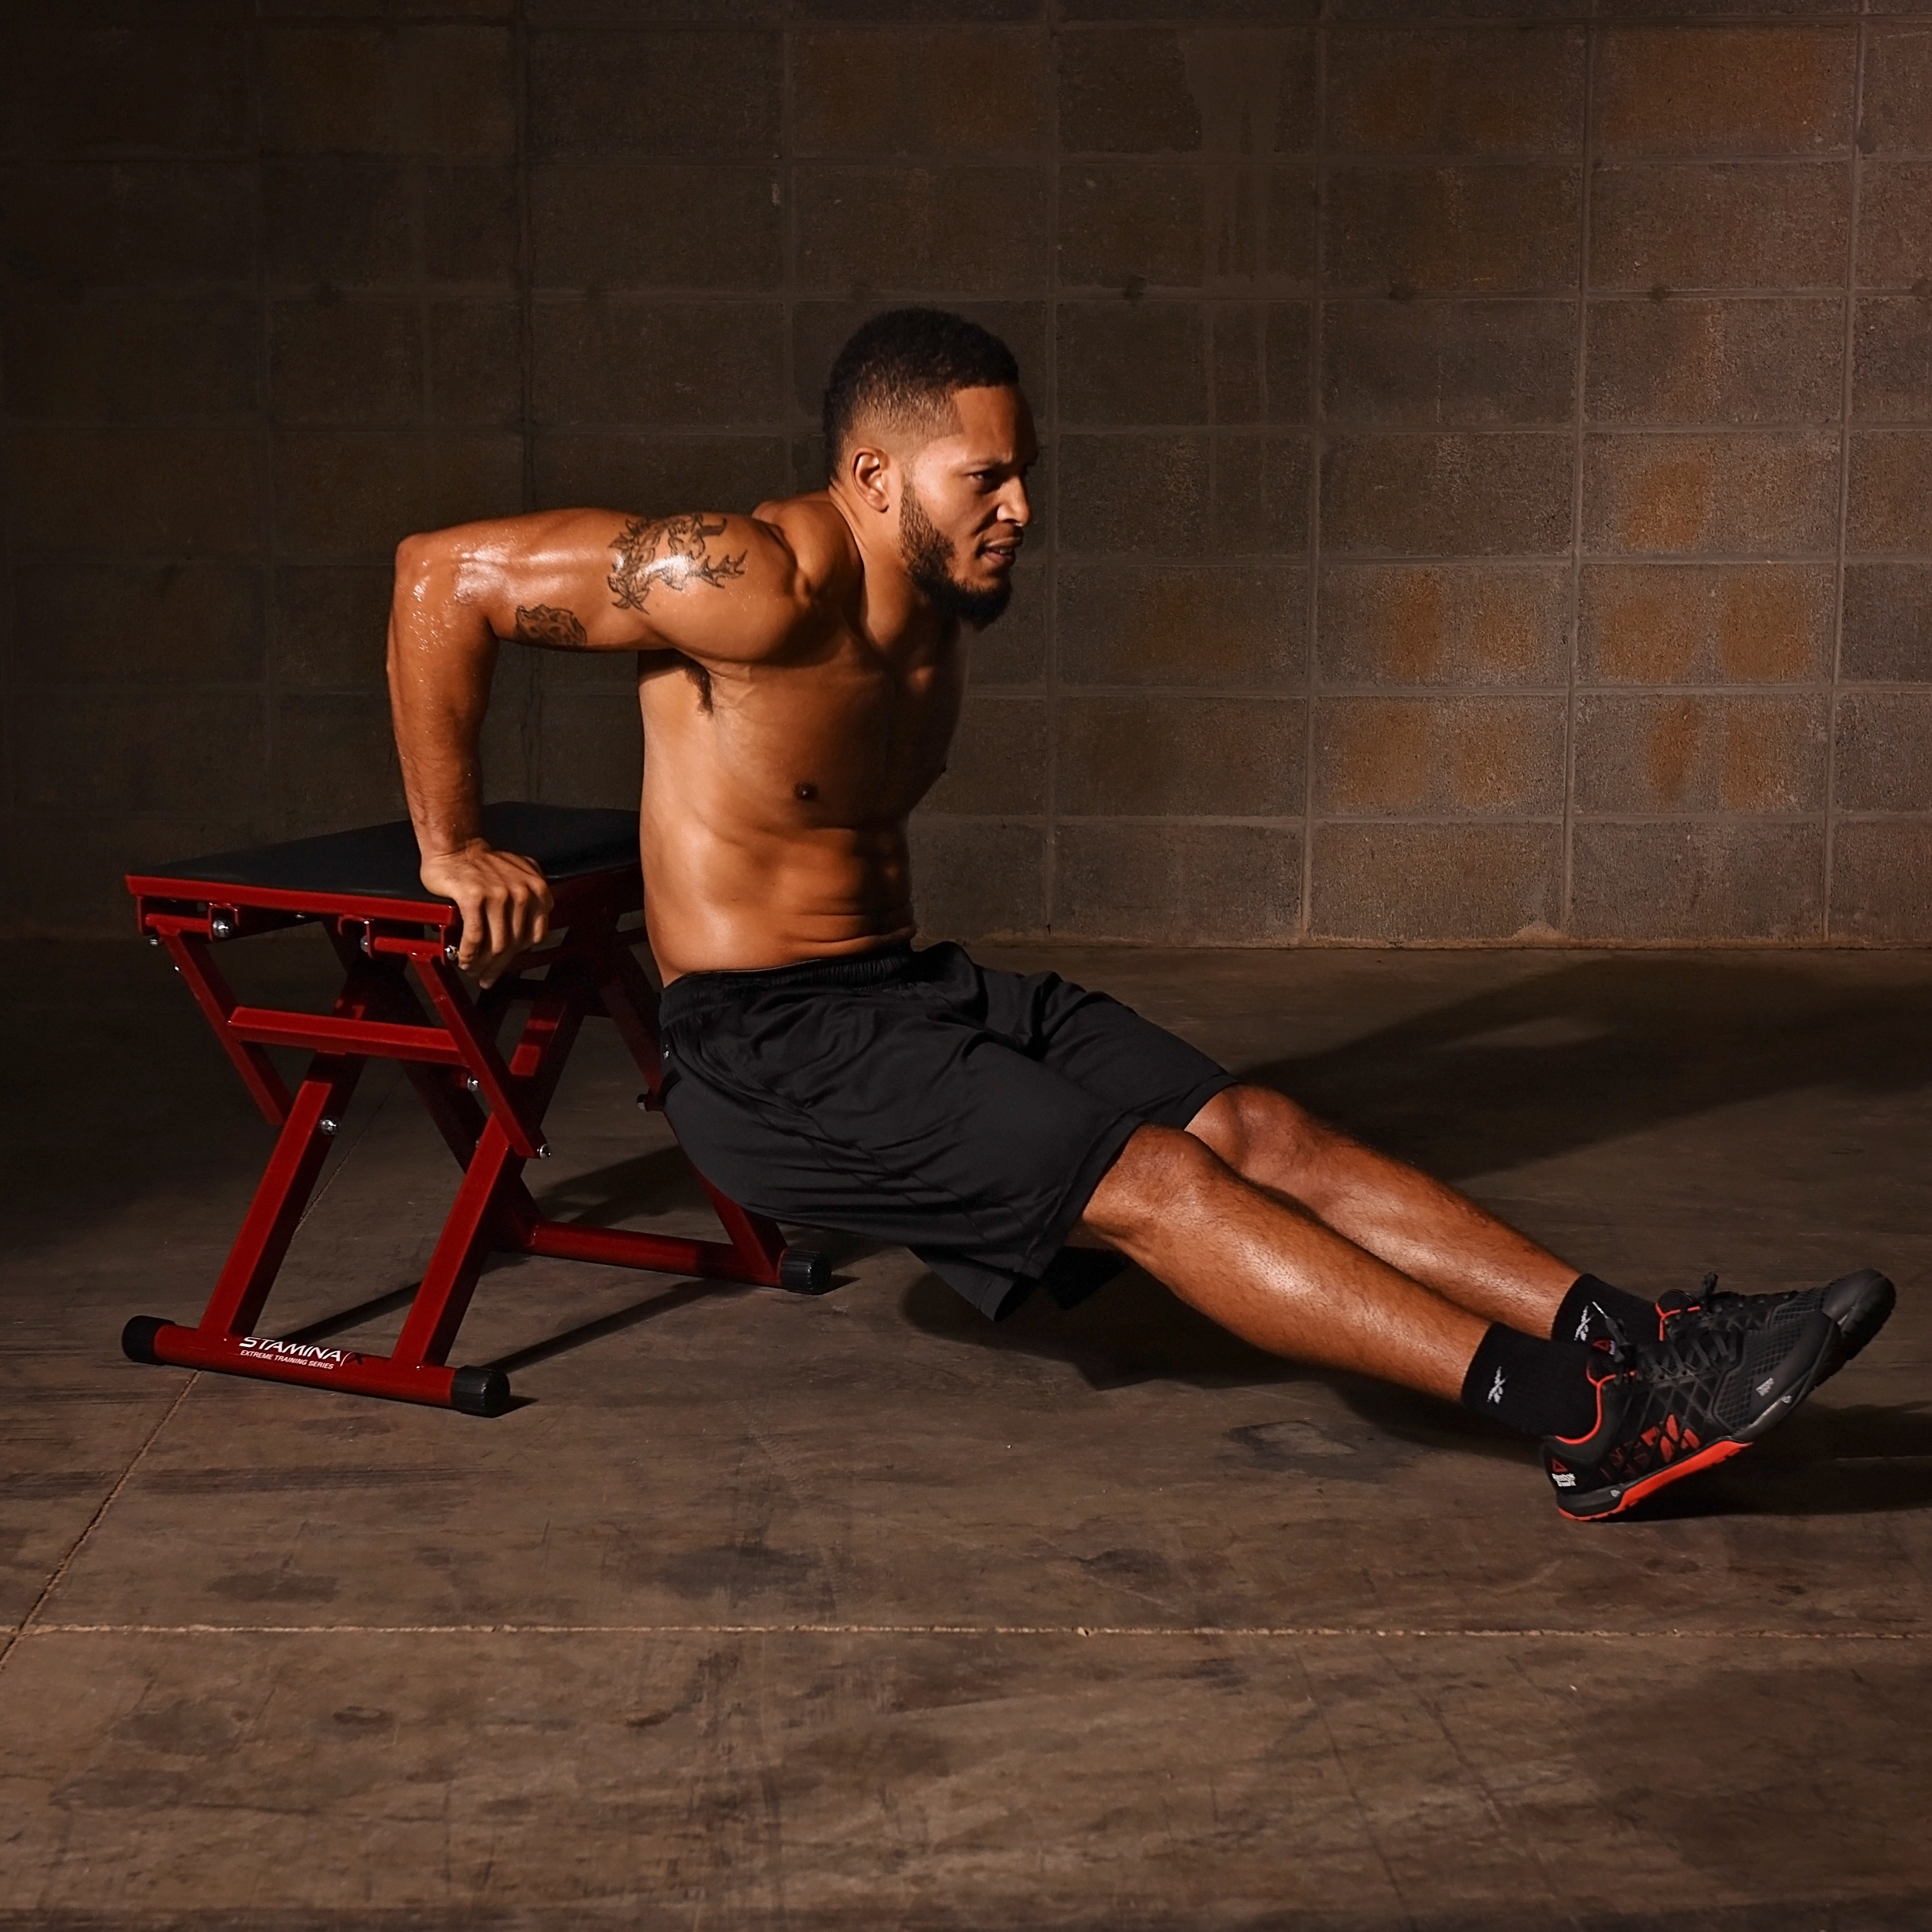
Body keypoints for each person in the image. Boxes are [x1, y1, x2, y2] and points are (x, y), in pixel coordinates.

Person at [387, 308, 1891, 1520]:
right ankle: (1587, 1420)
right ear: (871, 475)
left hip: (906, 993)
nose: (1022, 508)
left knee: (1261, 1132)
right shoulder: (748, 578)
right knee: (1162, 1180)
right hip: (766, 1045)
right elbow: (436, 575)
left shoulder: (934, 611)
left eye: (1021, 470)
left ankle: (1635, 1337)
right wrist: (452, 846)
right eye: (985, 477)